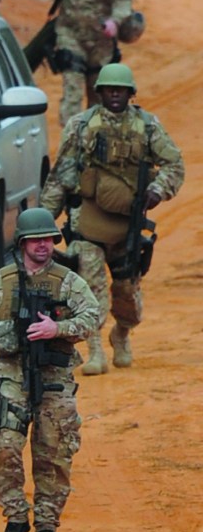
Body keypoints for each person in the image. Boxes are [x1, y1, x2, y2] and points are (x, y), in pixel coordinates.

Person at [0, 210, 99, 532]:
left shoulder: (67, 281)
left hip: (55, 376)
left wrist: (57, 328)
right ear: (22, 243)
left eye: (47, 239)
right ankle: (16, 516)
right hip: (11, 375)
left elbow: (92, 316)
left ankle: (47, 522)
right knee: (5, 447)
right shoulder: (0, 282)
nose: (43, 245)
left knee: (54, 451)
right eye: (35, 240)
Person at [40, 63, 184, 374]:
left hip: (126, 226)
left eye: (121, 89)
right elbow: (60, 175)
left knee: (126, 294)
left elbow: (174, 165)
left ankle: (122, 333)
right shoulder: (81, 126)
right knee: (89, 290)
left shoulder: (147, 127)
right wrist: (43, 223)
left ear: (131, 94)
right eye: (109, 89)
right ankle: (95, 350)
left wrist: (158, 190)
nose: (115, 94)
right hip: (87, 222)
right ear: (100, 92)